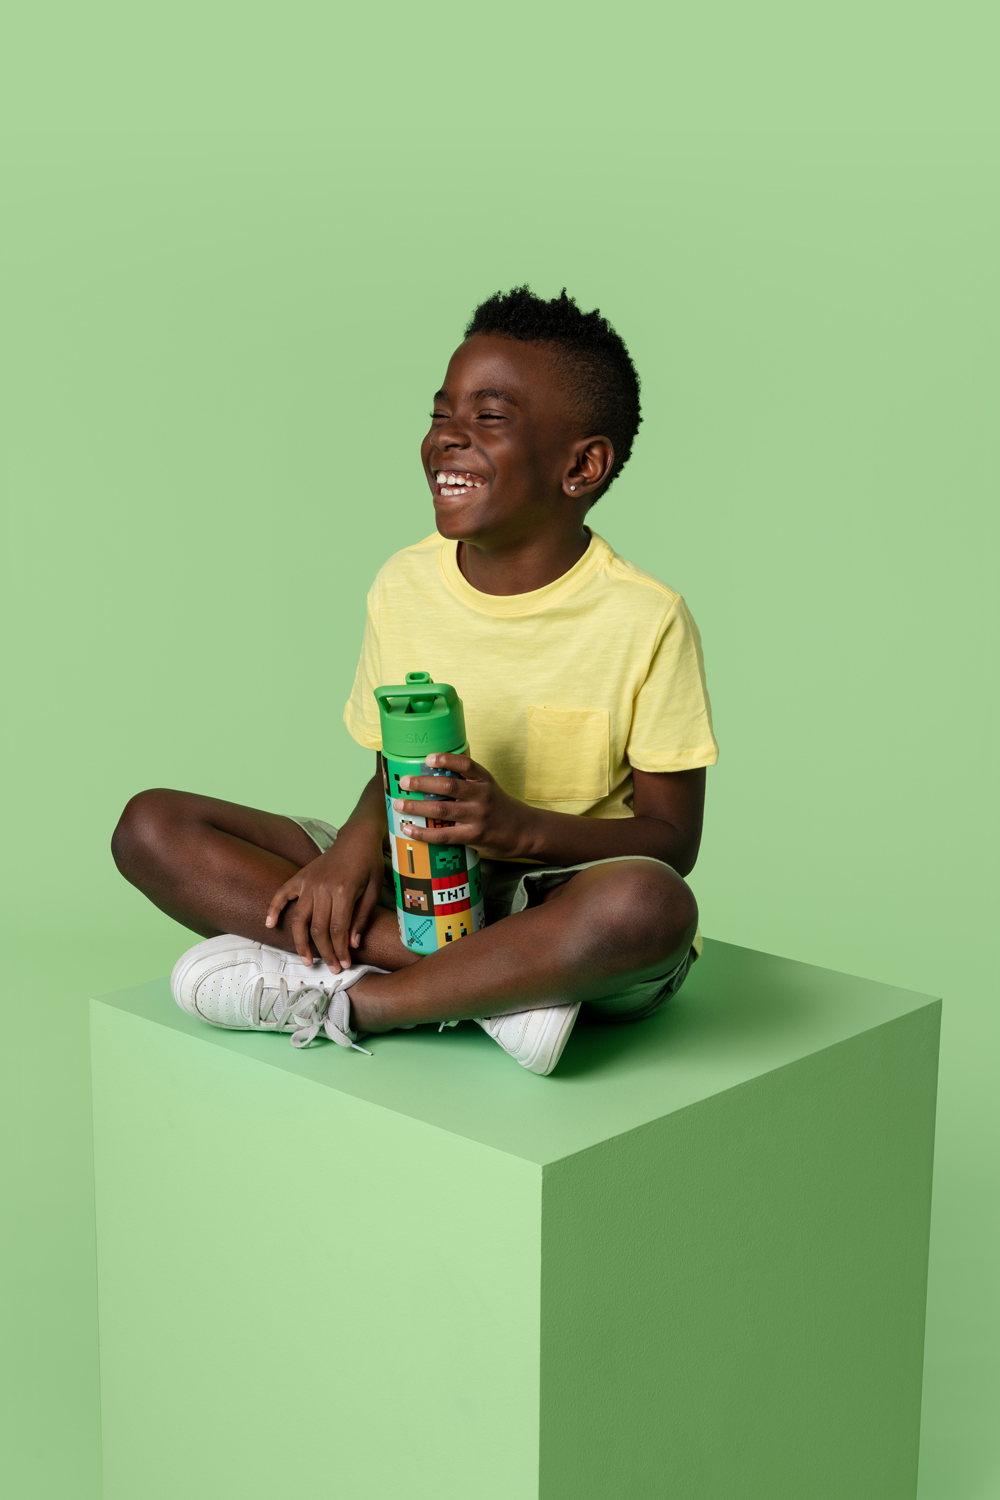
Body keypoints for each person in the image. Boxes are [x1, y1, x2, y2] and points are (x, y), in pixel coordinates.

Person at [112, 287, 718, 1075]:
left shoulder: (647, 618)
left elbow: (673, 842)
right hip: (417, 891)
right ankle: (492, 990)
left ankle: (357, 1000)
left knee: (652, 906)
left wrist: (515, 830)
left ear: (581, 465)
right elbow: (387, 771)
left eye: (489, 417)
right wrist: (347, 861)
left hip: (561, 903)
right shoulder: (404, 584)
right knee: (150, 828)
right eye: (441, 414)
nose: (449, 438)